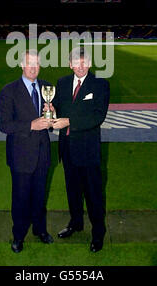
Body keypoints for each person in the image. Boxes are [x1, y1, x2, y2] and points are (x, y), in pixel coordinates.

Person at [52, 47, 110, 252]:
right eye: (77, 62)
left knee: (93, 194)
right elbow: (57, 105)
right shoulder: (62, 83)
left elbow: (97, 116)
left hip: (87, 150)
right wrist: (50, 109)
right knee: (73, 191)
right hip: (67, 148)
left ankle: (98, 233)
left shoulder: (100, 84)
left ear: (90, 63)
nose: (81, 65)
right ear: (70, 64)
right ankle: (76, 223)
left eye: (84, 62)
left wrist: (68, 121)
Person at [0, 49, 54, 253]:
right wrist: (31, 125)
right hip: (20, 154)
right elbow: (4, 125)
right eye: (29, 63)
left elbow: (49, 122)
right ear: (22, 65)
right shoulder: (9, 90)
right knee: (21, 198)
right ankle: (18, 235)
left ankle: (40, 230)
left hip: (42, 153)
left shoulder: (47, 87)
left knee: (40, 196)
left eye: (37, 64)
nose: (33, 68)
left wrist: (52, 118)